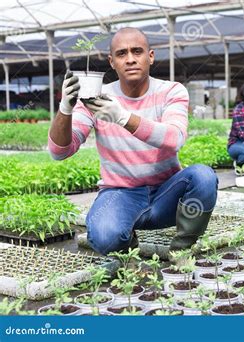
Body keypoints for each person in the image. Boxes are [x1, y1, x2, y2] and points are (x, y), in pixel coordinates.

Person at [48, 27, 218, 258]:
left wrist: (123, 117)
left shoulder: (171, 91)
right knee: (104, 235)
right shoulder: (95, 99)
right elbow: (60, 152)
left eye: (137, 51)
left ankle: (181, 250)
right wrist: (65, 108)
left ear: (150, 56)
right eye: (121, 53)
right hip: (120, 194)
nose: (130, 59)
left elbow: (174, 138)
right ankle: (126, 242)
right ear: (112, 61)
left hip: (166, 195)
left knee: (203, 176)